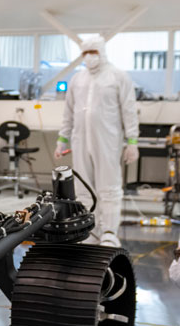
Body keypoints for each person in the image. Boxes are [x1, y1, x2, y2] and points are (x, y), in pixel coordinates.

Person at [55, 36, 138, 246]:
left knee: (109, 187)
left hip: (108, 141)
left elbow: (129, 110)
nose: (89, 57)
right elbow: (69, 112)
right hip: (80, 140)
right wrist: (62, 139)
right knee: (83, 188)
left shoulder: (118, 77)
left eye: (93, 52)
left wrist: (132, 141)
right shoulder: (77, 79)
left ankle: (109, 232)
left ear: (102, 52)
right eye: (85, 53)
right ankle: (88, 230)